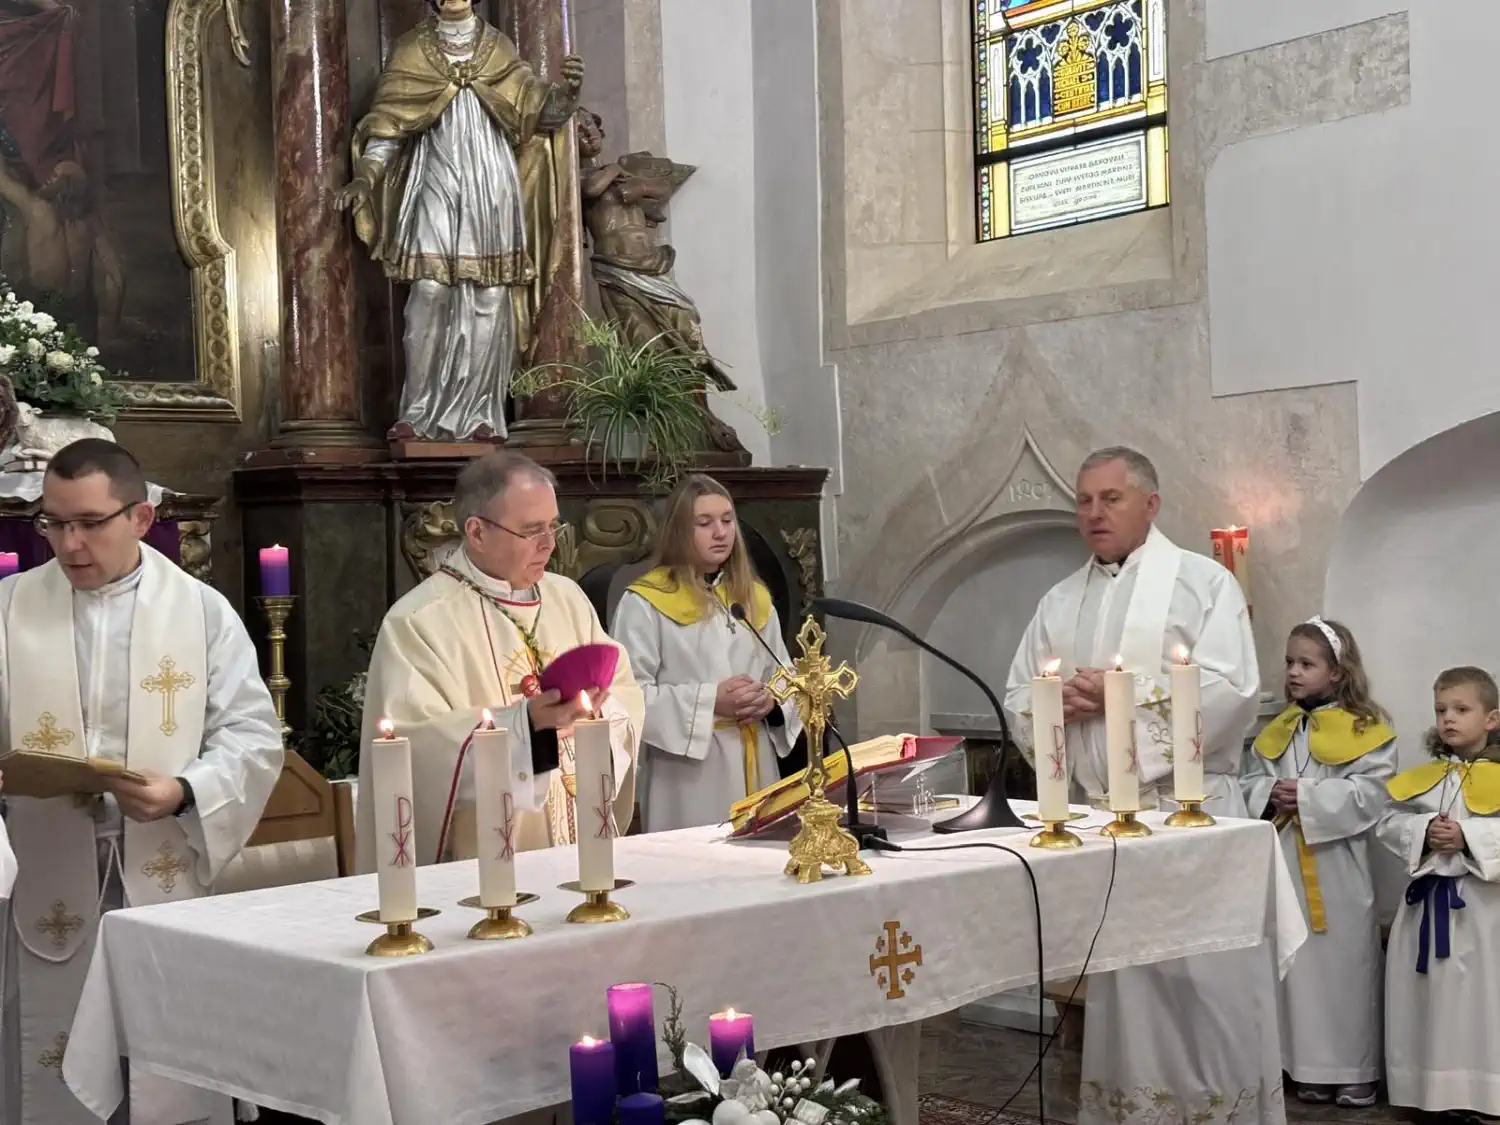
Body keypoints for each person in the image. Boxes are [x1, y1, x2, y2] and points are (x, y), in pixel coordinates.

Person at [0, 439, 283, 1125]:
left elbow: (252, 736)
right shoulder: (8, 609)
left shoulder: (201, 612)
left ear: (141, 515)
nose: (69, 544)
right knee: (50, 1064)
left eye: (90, 522)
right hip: (45, 875)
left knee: (162, 1071)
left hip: (159, 869)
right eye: (54, 521)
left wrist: (184, 790)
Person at [1004, 447, 1286, 1125]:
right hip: (1106, 830)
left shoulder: (1201, 584)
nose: (1093, 513)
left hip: (1190, 821)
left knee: (1207, 993)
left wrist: (1124, 696)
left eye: (1111, 498)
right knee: (1128, 1002)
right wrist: (1052, 704)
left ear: (1150, 504)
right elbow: (1017, 694)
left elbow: (1234, 691)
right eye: (1083, 500)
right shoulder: (1059, 599)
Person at [357, 452, 644, 869]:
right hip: (481, 868)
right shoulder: (418, 622)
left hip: (582, 844)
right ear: (476, 532)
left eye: (553, 526)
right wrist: (527, 728)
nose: (549, 543)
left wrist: (593, 716)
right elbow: (412, 751)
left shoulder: (568, 598)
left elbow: (624, 691)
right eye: (531, 531)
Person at [336, 0, 583, 442]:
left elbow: (538, 112)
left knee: (489, 296)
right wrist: (367, 175)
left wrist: (565, 95)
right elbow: (389, 123)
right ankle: (418, 411)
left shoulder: (498, 48)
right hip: (437, 174)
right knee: (429, 291)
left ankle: (481, 415)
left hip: (491, 182)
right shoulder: (412, 49)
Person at [1241, 617, 1394, 1107]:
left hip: (1337, 869)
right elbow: (1248, 783)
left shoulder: (1367, 730)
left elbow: (1373, 795)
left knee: (1343, 968)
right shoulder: (1279, 729)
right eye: (1289, 662)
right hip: (1284, 860)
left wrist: (1306, 797)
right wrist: (1271, 792)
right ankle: (1301, 1064)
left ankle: (1353, 1069)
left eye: (1307, 663)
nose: (1293, 672)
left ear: (1337, 671)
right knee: (1295, 965)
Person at [611, 475, 802, 831]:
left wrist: (772, 703)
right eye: (705, 523)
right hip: (688, 775)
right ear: (679, 531)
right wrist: (709, 701)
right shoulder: (644, 604)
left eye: (728, 520)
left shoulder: (752, 599)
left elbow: (785, 675)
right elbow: (624, 698)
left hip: (755, 759)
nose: (721, 532)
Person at [1380, 665, 1500, 1120]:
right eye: (1440, 710)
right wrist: (1424, 830)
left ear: (1492, 719)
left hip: (1485, 913)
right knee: (1432, 1003)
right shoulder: (1427, 777)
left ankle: (1486, 1094)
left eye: (1461, 709)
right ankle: (1430, 1092)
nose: (1448, 718)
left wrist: (1468, 838)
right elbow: (1386, 823)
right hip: (1428, 906)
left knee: (1481, 1005)